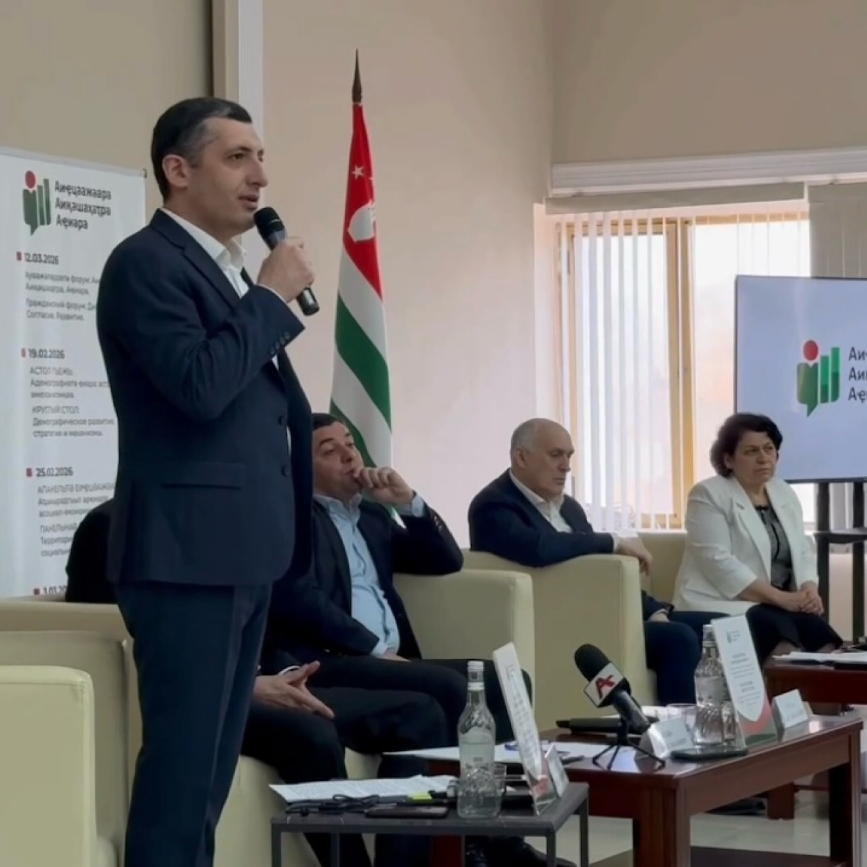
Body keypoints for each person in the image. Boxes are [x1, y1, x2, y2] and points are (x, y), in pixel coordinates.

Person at [95, 96, 316, 867]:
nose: (259, 177)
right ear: (178, 170)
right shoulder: (145, 263)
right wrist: (269, 298)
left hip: (240, 552)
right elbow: (198, 386)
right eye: (237, 157)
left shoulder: (223, 270)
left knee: (210, 780)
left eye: (261, 158)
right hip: (185, 557)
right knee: (182, 778)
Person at [63, 499, 452, 867]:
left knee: (420, 714)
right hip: (201, 695)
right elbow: (129, 637)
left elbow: (260, 624)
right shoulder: (114, 526)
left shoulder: (230, 520)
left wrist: (283, 675)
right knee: (312, 734)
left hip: (267, 676)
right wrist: (248, 686)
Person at [269, 414, 569, 867]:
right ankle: (475, 843)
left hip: (389, 657)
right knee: (453, 689)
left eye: (350, 444)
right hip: (333, 659)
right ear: (300, 467)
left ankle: (501, 837)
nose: (349, 456)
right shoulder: (293, 519)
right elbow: (300, 599)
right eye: (330, 451)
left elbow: (444, 560)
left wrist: (408, 503)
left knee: (509, 681)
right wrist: (373, 648)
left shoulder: (371, 516)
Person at [467, 418, 722, 706]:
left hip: (601, 613)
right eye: (555, 455)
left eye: (569, 456)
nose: (566, 466)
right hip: (561, 625)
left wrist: (653, 610)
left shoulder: (569, 508)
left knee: (720, 627)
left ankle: (732, 723)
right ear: (521, 457)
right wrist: (613, 541)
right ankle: (682, 728)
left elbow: (598, 573)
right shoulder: (493, 506)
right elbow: (539, 548)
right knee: (678, 638)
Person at [672, 412, 842, 664]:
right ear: (728, 459)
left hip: (774, 604)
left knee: (823, 637)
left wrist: (809, 590)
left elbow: (803, 550)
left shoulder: (783, 491)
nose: (763, 458)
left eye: (768, 449)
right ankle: (775, 692)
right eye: (751, 451)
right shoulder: (708, 494)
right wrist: (782, 599)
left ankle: (818, 692)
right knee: (779, 635)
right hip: (719, 602)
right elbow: (717, 561)